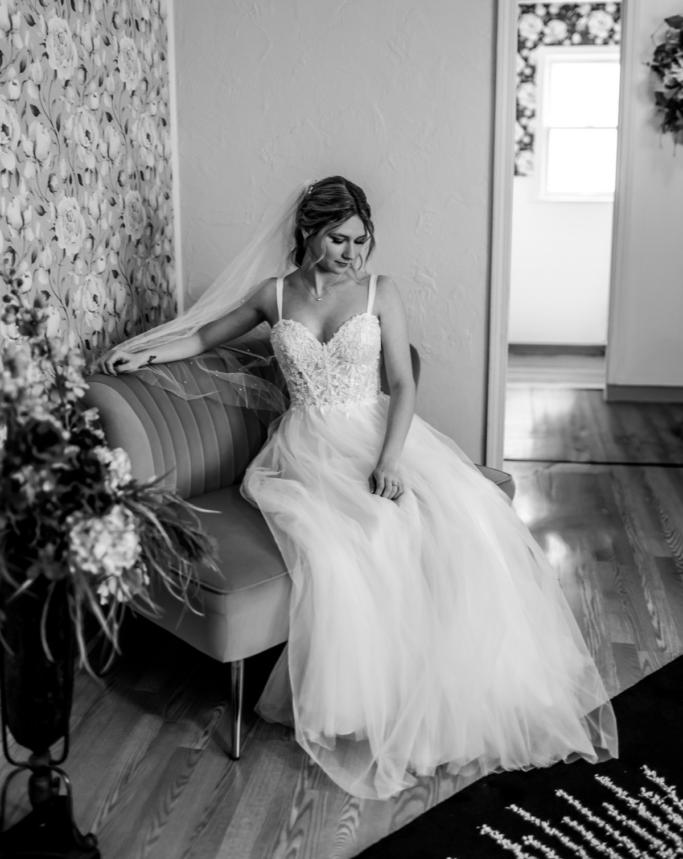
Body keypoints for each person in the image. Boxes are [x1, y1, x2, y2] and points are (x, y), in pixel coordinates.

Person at [98, 176, 617, 800]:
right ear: (309, 234)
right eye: (338, 239)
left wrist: (391, 461)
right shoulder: (275, 296)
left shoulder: (380, 291)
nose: (351, 253)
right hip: (307, 448)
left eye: (360, 239)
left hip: (378, 435)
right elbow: (204, 337)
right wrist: (143, 357)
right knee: (358, 537)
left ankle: (459, 687)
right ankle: (373, 701)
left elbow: (402, 382)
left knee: (462, 516)